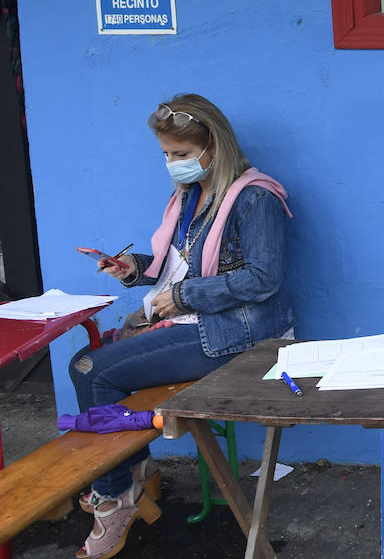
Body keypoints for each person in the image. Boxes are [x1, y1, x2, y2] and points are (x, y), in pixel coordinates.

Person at [68, 93, 292, 559]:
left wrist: (182, 297)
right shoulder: (191, 195)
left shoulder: (254, 199)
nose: (174, 164)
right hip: (199, 322)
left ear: (215, 146)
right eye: (168, 155)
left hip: (239, 335)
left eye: (183, 155)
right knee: (88, 364)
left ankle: (115, 498)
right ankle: (135, 474)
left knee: (94, 370)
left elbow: (262, 278)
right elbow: (181, 267)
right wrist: (132, 268)